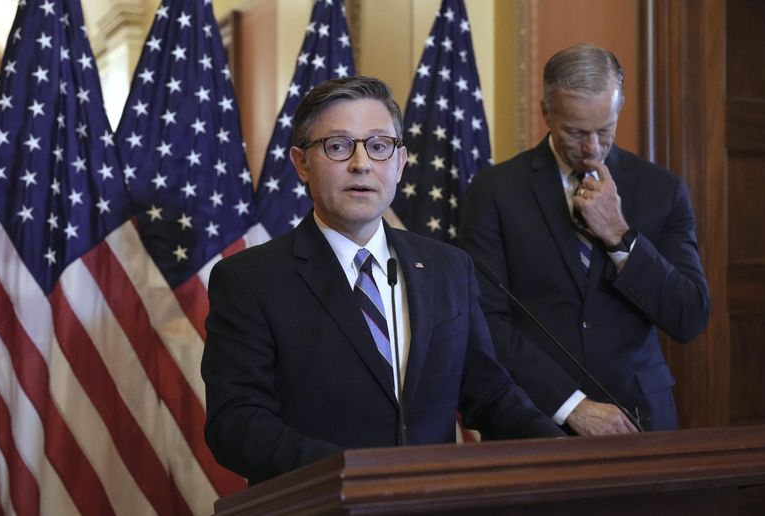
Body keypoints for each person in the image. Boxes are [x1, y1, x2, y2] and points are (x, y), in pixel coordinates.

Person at [202, 76, 563, 485]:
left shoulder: (449, 268)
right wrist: (354, 473)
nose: (361, 164)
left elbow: (490, 395)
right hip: (323, 504)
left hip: (434, 504)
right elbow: (235, 423)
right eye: (338, 146)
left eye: (378, 146)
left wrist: (570, 458)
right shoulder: (249, 280)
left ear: (400, 162)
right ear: (301, 163)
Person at [459, 43, 710, 435]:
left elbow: (689, 315)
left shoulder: (662, 189)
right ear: (547, 113)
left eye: (605, 130)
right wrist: (571, 406)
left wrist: (620, 236)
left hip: (641, 419)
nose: (592, 147)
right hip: (536, 420)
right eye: (575, 132)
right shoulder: (493, 191)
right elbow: (486, 318)